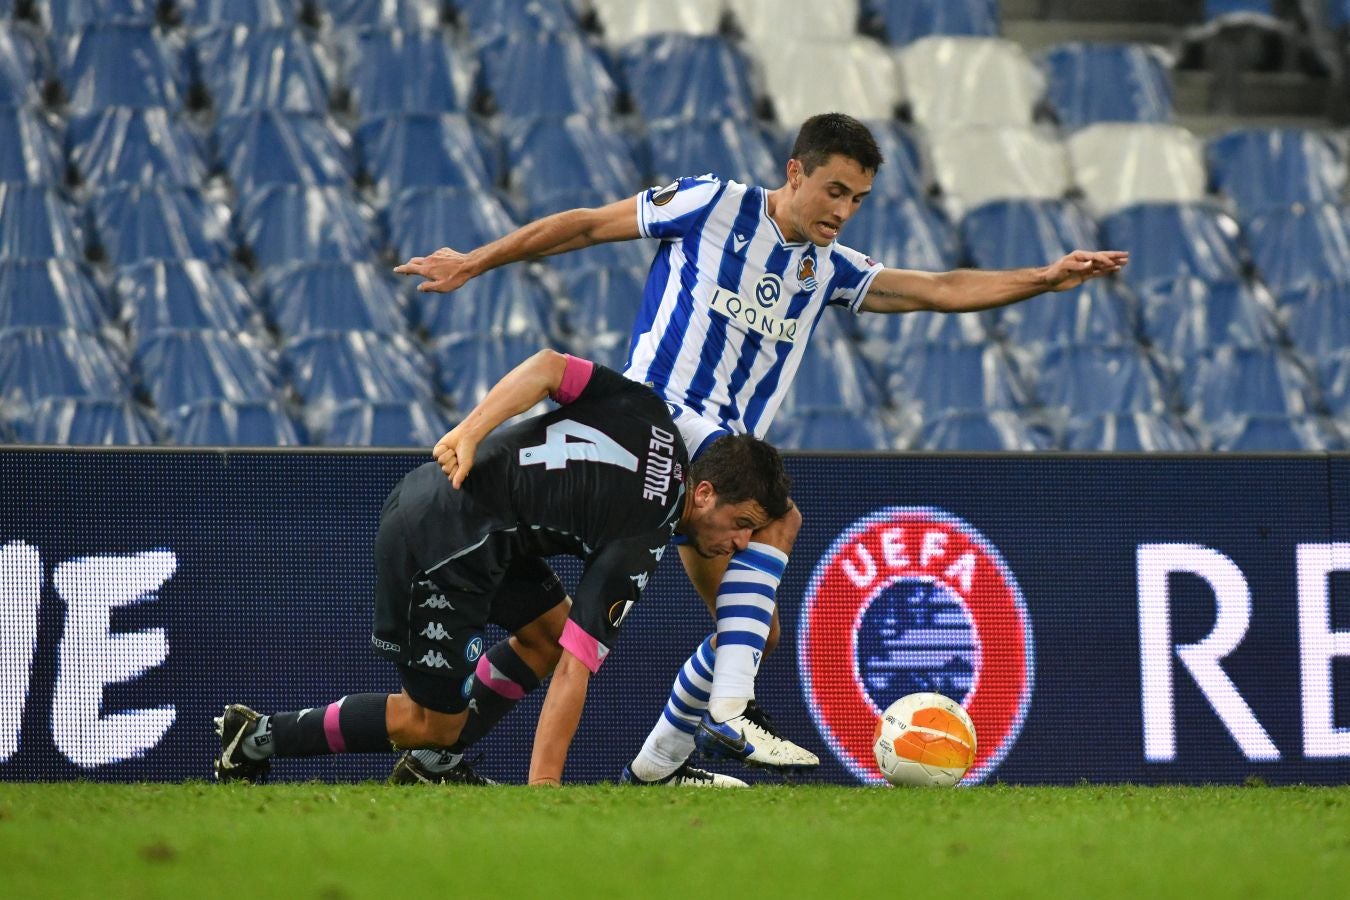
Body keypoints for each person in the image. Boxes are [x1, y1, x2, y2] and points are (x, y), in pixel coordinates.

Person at [394, 112, 1129, 786]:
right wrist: (475, 262)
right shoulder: (712, 204)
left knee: (754, 635)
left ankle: (653, 767)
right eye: (834, 191)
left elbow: (937, 288)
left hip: (720, 466)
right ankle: (729, 714)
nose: (843, 211)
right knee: (779, 519)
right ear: (795, 172)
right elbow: (586, 226)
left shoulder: (829, 268)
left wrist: (1044, 278)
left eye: (858, 200)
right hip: (653, 425)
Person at [214, 348, 791, 787]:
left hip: (457, 509)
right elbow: (576, 670)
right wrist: (545, 793)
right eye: (742, 523)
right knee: (431, 722)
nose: (741, 543)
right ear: (704, 492)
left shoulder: (648, 408)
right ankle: (260, 736)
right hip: (445, 543)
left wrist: (470, 430)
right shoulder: (645, 530)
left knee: (546, 635)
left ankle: (433, 768)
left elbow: (546, 366)